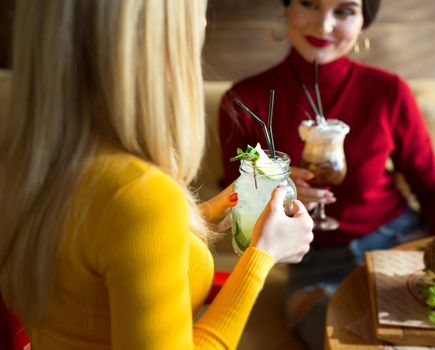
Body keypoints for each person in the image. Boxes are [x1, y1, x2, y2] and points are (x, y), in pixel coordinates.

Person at [0, 1, 314, 349]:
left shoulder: (42, 164)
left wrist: (202, 215)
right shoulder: (140, 195)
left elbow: (114, 249)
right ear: (153, 38)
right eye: (195, 13)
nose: (202, 23)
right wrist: (263, 255)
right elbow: (134, 220)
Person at [218, 0, 435, 348]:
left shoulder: (388, 91)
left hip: (398, 241)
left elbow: (431, 185)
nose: (325, 25)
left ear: (363, 22)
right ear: (287, 8)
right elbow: (235, 203)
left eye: (344, 11)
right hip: (314, 263)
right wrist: (277, 196)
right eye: (309, 4)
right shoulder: (244, 102)